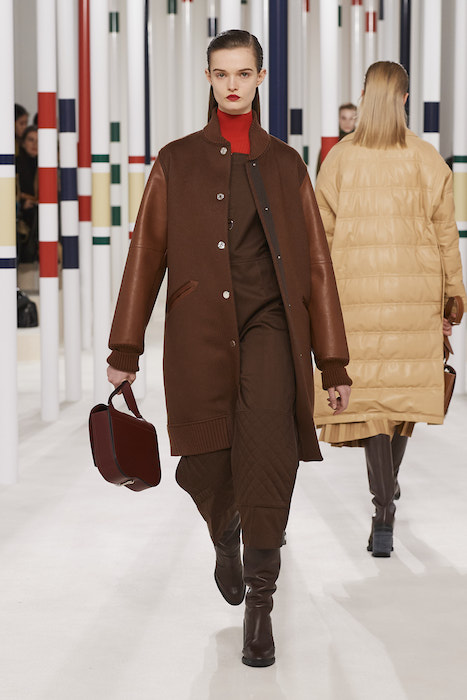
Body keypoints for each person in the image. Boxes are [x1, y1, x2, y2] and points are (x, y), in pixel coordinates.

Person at [106, 29, 351, 667]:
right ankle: (224, 531)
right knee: (207, 462)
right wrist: (125, 349)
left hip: (272, 329)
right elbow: (145, 255)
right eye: (222, 74)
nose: (233, 84)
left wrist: (332, 361)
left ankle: (260, 605)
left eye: (244, 73)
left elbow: (318, 266)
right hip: (200, 332)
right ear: (210, 80)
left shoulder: (286, 164)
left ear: (261, 78)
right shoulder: (176, 161)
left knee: (268, 459)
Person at [314, 61, 466, 558]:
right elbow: (446, 237)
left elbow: (320, 236)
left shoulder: (339, 159)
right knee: (398, 403)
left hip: (353, 297)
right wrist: (452, 298)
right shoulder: (427, 160)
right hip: (413, 296)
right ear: (403, 98)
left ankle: (384, 508)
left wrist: (317, 302)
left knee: (375, 405)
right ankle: (386, 499)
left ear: (365, 97)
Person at [16, 125, 38, 264]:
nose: (35, 144)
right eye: (31, 140)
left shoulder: (45, 164)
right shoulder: (16, 164)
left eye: (38, 141)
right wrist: (23, 201)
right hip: (21, 212)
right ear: (23, 142)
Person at [316, 102, 357, 175]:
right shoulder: (331, 141)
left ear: (356, 120)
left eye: (351, 118)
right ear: (339, 119)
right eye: (343, 118)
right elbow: (321, 169)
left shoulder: (361, 141)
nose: (347, 122)